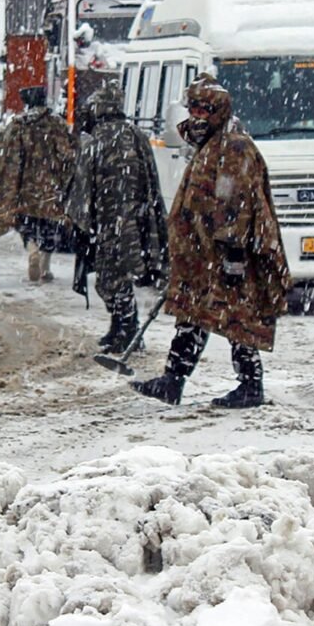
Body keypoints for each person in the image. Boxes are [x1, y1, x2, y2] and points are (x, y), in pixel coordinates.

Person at [131, 75, 290, 407]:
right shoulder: (209, 142)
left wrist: (233, 251)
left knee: (236, 316)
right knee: (193, 313)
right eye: (194, 108)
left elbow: (236, 201)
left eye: (206, 109)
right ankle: (173, 380)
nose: (199, 116)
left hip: (225, 252)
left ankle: (250, 385)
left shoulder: (233, 146)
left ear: (220, 111)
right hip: (200, 253)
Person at [68, 82, 168, 351]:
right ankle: (123, 327)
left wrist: (79, 219)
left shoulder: (96, 141)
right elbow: (151, 180)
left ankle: (126, 330)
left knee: (110, 277)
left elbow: (81, 188)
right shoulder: (136, 135)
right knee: (120, 275)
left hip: (109, 222)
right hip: (136, 220)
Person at [0, 85, 75, 284]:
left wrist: (6, 185)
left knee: (28, 226)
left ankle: (32, 249)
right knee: (49, 228)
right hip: (51, 188)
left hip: (25, 188)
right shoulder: (56, 124)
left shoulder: (18, 124)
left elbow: (8, 157)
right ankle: (45, 266)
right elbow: (67, 155)